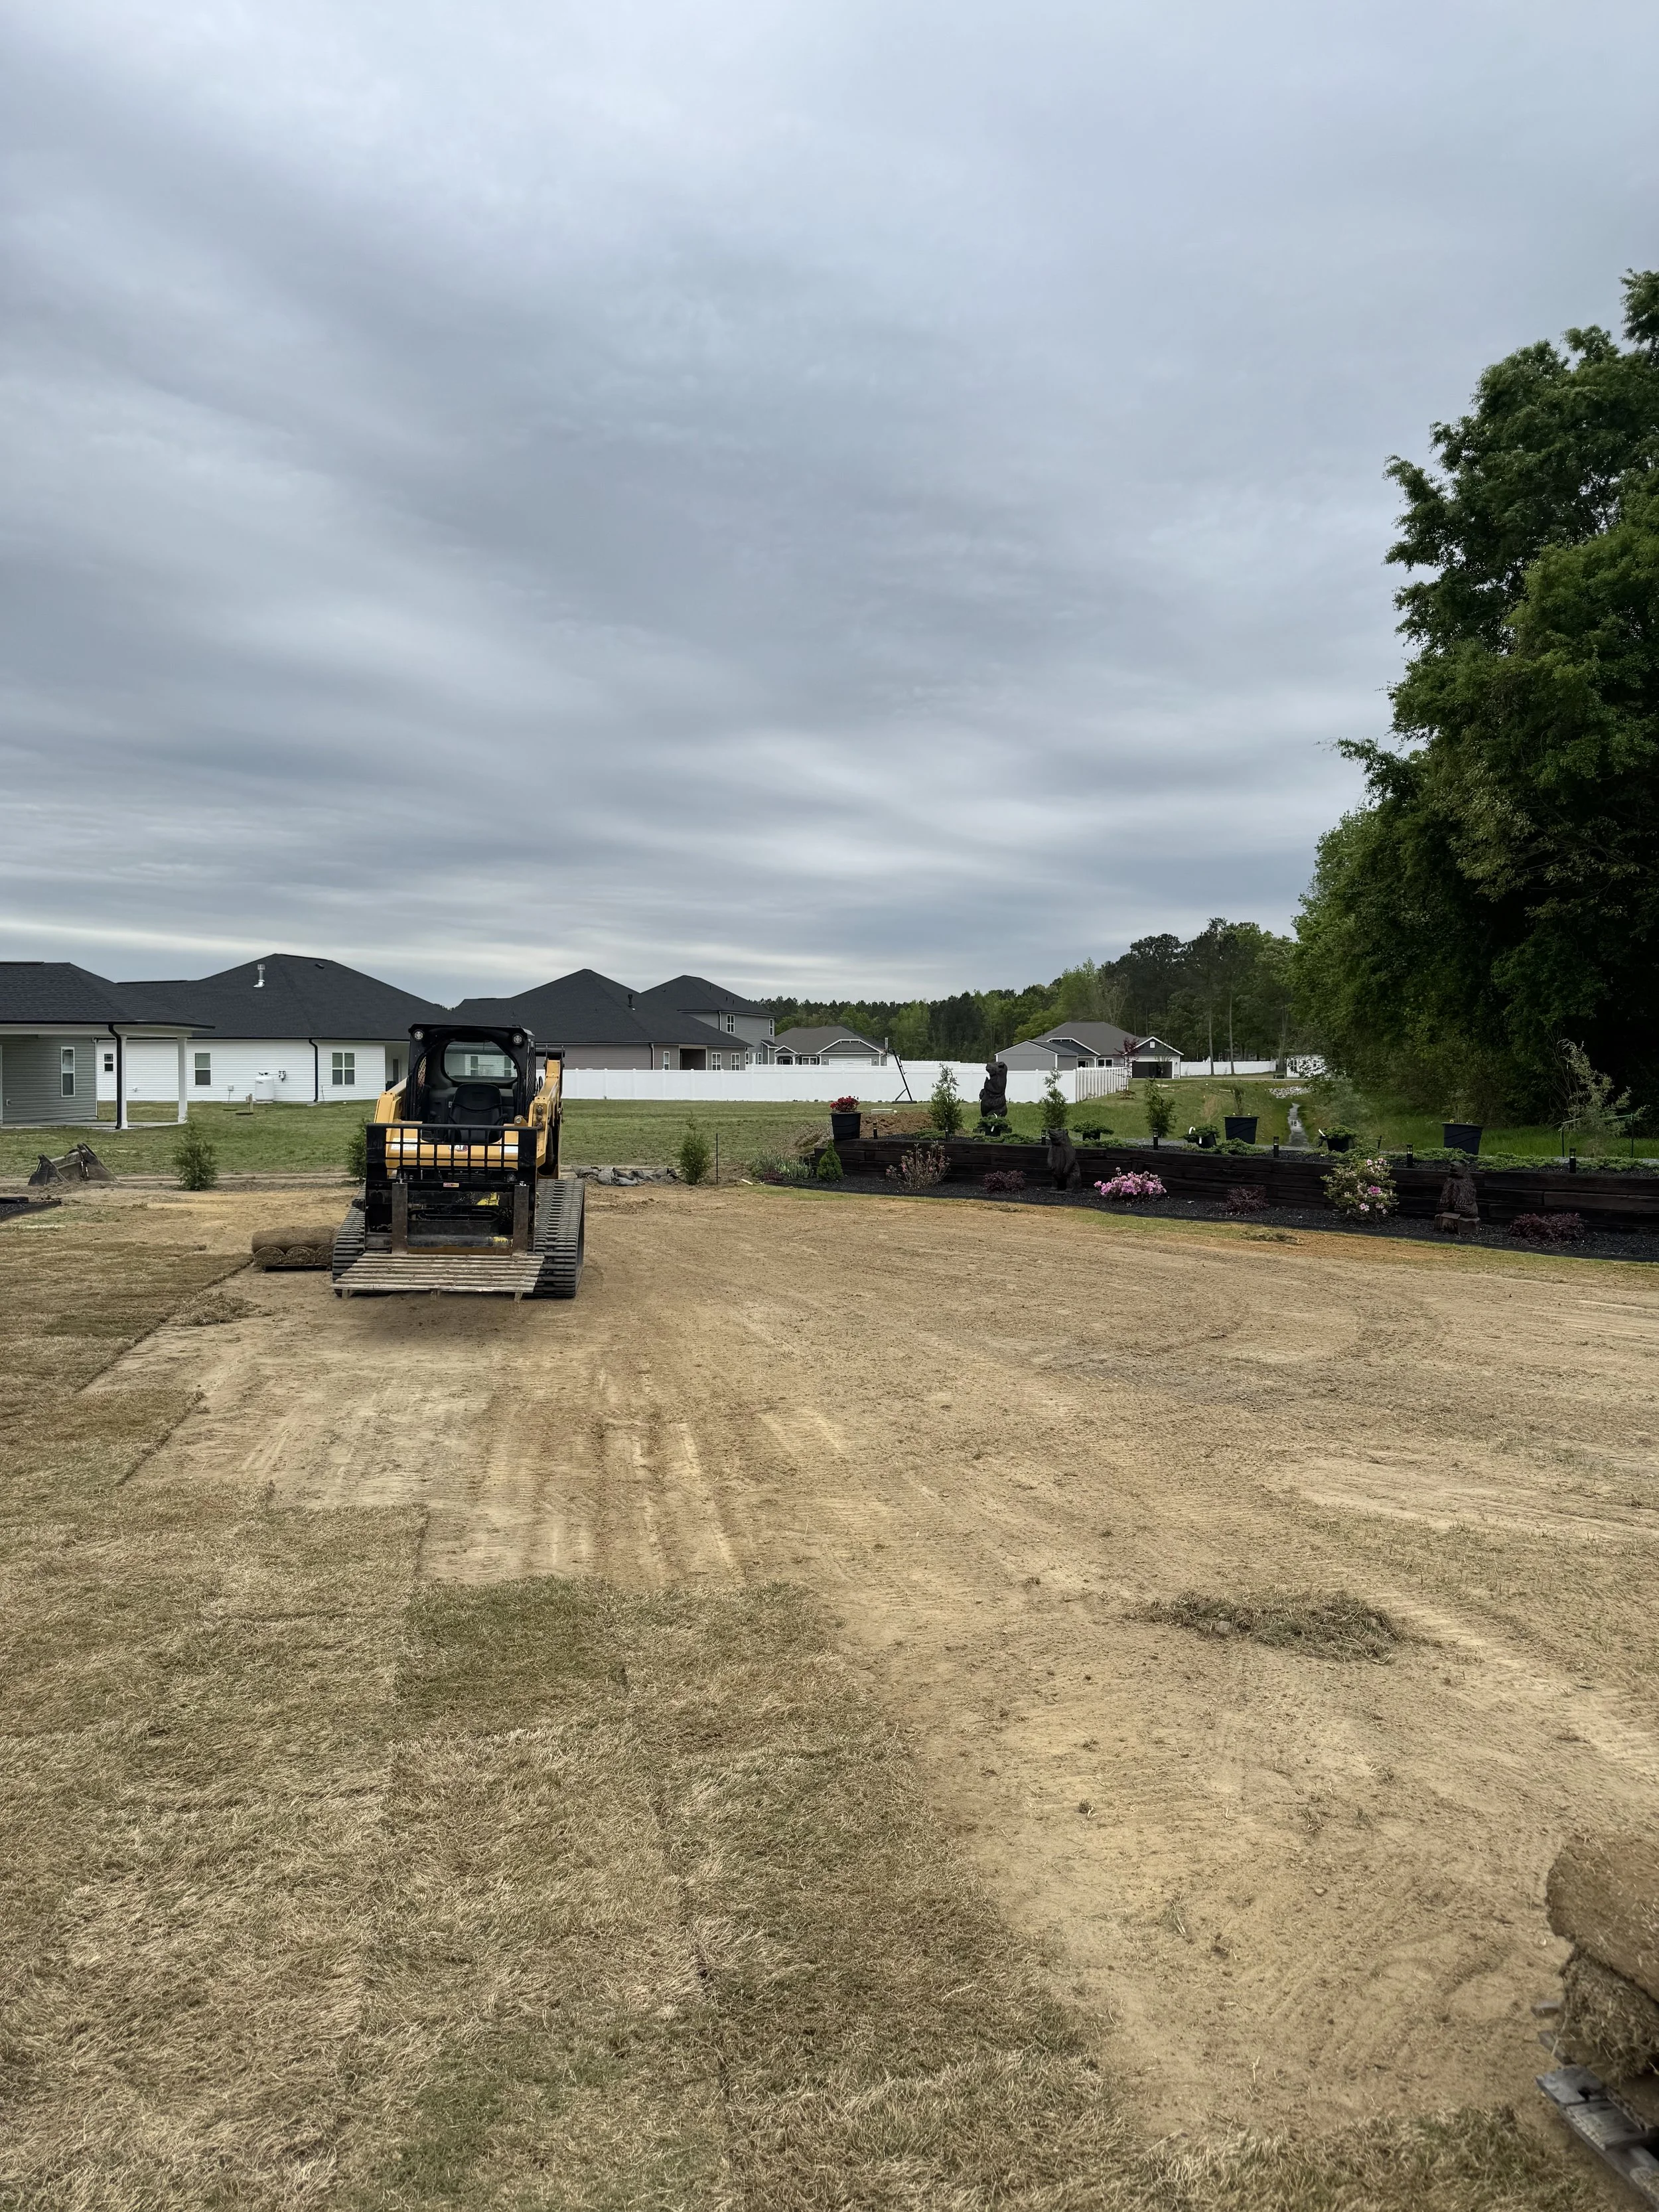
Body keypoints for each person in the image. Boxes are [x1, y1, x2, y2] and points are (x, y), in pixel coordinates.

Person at [978, 1057, 1009, 1122]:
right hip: (989, 1102)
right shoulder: (994, 1079)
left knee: (993, 1114)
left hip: (997, 1104)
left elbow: (998, 1089)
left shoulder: (1001, 1074)